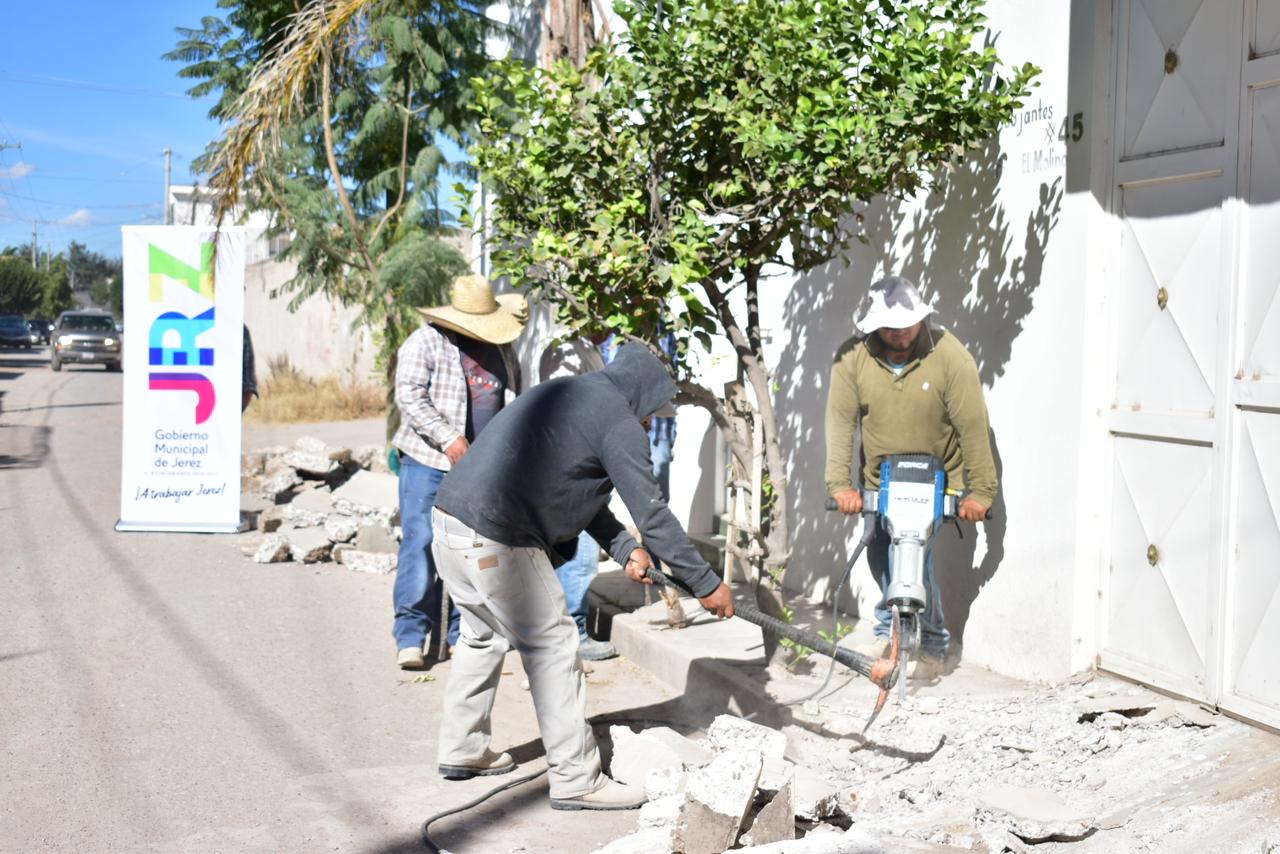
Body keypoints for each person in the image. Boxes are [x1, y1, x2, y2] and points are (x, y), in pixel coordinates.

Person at [430, 344, 733, 810]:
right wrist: (706, 583)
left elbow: (572, 486)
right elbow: (652, 514)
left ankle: (463, 749)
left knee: (480, 635)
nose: (652, 422)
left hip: (450, 521)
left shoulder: (569, 392)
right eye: (653, 412)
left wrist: (625, 548)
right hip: (499, 538)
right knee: (553, 647)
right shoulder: (620, 422)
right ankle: (576, 779)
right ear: (642, 395)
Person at [824, 276, 997, 677]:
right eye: (888, 328)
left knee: (914, 555)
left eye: (906, 326)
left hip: (935, 481)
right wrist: (840, 485)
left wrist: (981, 493)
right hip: (879, 482)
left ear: (922, 319)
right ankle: (891, 630)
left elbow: (973, 425)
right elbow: (840, 422)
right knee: (880, 554)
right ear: (872, 326)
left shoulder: (951, 356)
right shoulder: (852, 358)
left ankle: (934, 644)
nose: (899, 334)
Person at [391, 274, 526, 670]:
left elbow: (513, 400)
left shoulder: (502, 350)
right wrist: (449, 439)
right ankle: (412, 635)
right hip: (429, 462)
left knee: (472, 552)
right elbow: (410, 397)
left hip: (483, 472)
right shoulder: (426, 343)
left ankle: (461, 635)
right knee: (420, 543)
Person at [537, 332, 616, 661]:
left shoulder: (585, 348)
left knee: (571, 556)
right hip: (572, 467)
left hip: (571, 465)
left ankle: (559, 632)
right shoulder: (568, 351)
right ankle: (574, 633)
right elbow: (565, 409)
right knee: (580, 557)